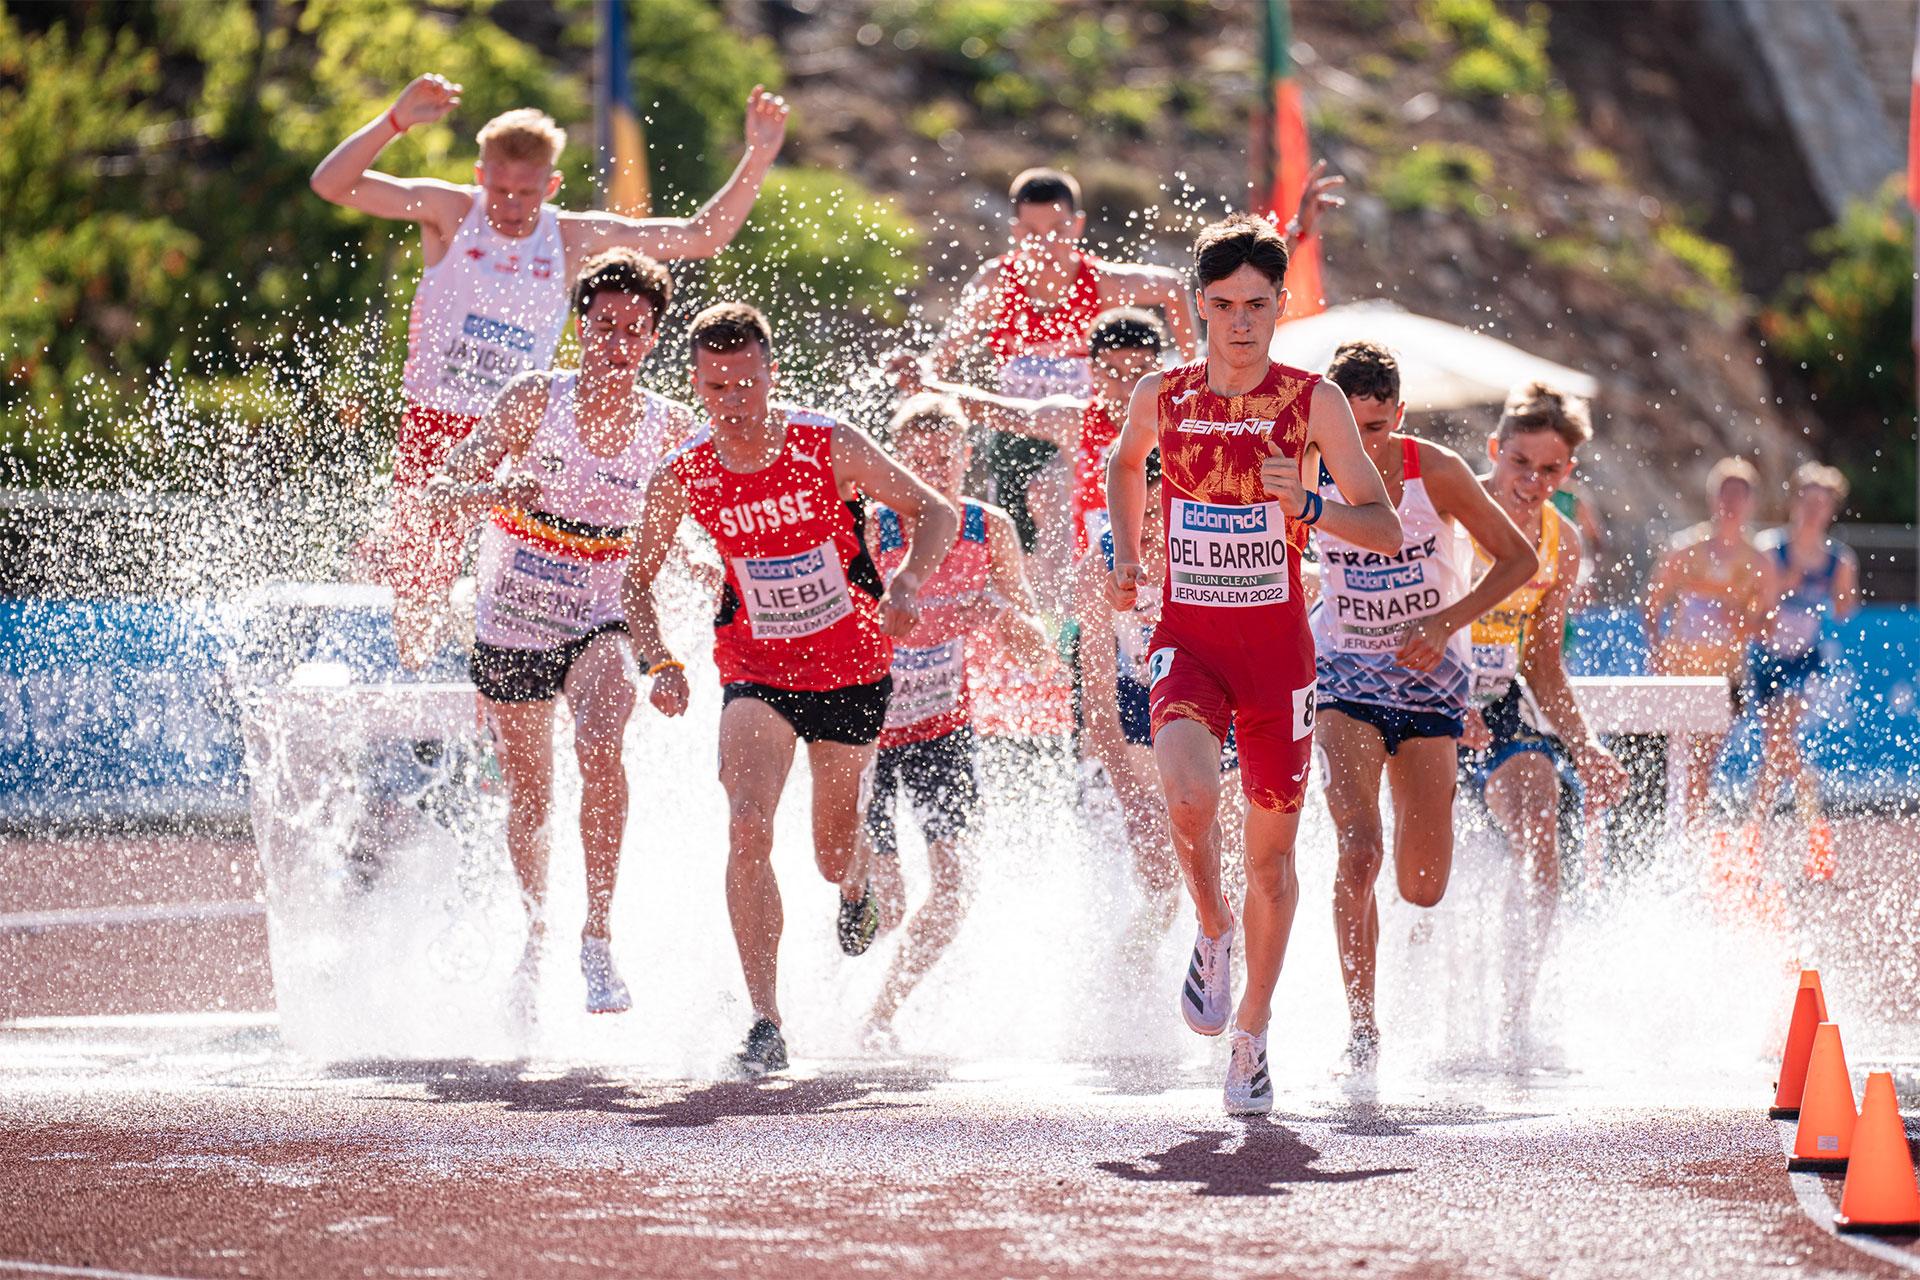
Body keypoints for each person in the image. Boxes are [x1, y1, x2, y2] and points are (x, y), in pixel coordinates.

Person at [311, 73, 789, 668]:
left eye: (526, 193)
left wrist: (759, 153)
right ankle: (418, 685)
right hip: (439, 416)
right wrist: (395, 121)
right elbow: (330, 184)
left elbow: (702, 236)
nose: (511, 207)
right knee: (420, 576)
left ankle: (527, 678)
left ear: (552, 184)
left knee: (545, 564)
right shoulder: (452, 211)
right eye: (501, 190)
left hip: (532, 423)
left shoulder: (568, 235)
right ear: (481, 175)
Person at [1105, 213, 1402, 1115]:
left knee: (1272, 861)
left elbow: (1382, 526)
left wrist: (1309, 503)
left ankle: (1253, 1036)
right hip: (1188, 642)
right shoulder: (1162, 393)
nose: (1240, 322)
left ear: (1279, 309)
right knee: (1188, 798)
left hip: (1279, 659)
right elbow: (1127, 468)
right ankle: (1211, 928)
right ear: (1199, 305)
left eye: (1258, 306)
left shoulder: (1314, 402)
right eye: (1224, 305)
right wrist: (1129, 552)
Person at [621, 303, 958, 1075]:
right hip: (756, 669)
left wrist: (906, 583)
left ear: (771, 374)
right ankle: (766, 1020)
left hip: (851, 671)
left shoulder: (826, 443)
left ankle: (856, 881)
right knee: (746, 824)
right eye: (716, 387)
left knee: (829, 852)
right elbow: (636, 579)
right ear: (698, 386)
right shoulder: (687, 472)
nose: (733, 401)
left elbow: (932, 511)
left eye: (745, 384)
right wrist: (657, 661)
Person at [423, 249, 694, 1023]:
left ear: (651, 340)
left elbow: (698, 517)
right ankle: (537, 933)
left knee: (603, 740)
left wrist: (706, 564)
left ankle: (597, 936)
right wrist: (490, 487)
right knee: (533, 798)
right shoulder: (532, 399)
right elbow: (443, 487)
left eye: (634, 331)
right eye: (604, 325)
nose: (617, 342)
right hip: (511, 617)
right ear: (580, 326)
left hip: (600, 612)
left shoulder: (670, 427)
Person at [1310, 342, 1537, 1075]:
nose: (1364, 444)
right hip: (1344, 678)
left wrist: (1443, 623)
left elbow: (1519, 560)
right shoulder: (1307, 469)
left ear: (1399, 416)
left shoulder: (1433, 472)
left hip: (1432, 686)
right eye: (1351, 426)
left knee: (1421, 885)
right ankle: (1362, 1029)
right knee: (1358, 849)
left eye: (1378, 427)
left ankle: (1405, 938)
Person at [860, 394, 1053, 1049]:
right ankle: (840, 975)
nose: (932, 469)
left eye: (944, 456)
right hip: (866, 732)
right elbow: (844, 627)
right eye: (916, 459)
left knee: (953, 890)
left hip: (942, 726)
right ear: (894, 463)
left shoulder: (988, 526)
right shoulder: (873, 524)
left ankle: (880, 1014)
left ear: (967, 457)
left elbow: (1037, 644)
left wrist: (1001, 614)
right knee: (884, 899)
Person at [1459, 382, 1631, 1056]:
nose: (1532, 481)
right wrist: (1450, 699)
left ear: (1570, 473)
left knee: (1541, 817)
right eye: (1520, 464)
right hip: (1423, 689)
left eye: (1549, 469)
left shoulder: (1562, 544)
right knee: (1415, 870)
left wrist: (1584, 745)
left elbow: (1542, 662)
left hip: (1500, 699)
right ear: (1495, 450)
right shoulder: (1450, 510)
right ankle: (1393, 1002)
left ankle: (1515, 1010)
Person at [927, 168, 1201, 577]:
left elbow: (1173, 286)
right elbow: (942, 353)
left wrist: (1191, 375)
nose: (1045, 244)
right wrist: (925, 378)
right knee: (1023, 535)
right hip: (1018, 432)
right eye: (1033, 233)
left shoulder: (1101, 282)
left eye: (1057, 229)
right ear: (1016, 232)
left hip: (1083, 425)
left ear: (1077, 226)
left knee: (1081, 497)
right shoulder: (997, 282)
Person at [1642, 457, 1774, 834]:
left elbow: (1769, 623)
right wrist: (1656, 647)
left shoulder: (1758, 561)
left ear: (1751, 502)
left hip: (1724, 677)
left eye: (1740, 494)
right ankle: (1668, 833)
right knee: (1672, 760)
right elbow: (1652, 602)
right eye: (1725, 493)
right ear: (1712, 498)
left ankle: (1692, 835)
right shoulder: (1686, 549)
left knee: (1702, 761)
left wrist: (1743, 622)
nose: (1731, 502)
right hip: (1679, 673)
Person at [1745, 463, 1858, 878]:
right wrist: (1782, 587)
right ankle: (1811, 829)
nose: (1812, 510)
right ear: (1794, 502)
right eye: (1806, 501)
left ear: (1831, 510)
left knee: (1778, 740)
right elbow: (1756, 608)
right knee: (1777, 750)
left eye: (1821, 504)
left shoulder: (1838, 559)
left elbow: (1845, 609)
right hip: (1764, 657)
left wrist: (1844, 594)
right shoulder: (1769, 547)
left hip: (1804, 659)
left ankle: (1755, 833)